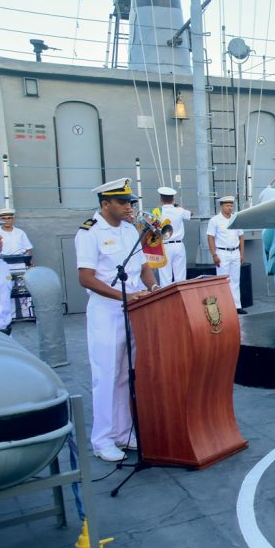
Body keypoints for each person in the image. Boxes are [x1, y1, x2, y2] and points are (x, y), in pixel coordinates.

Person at [75, 178, 159, 461]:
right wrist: (123, 296)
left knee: (125, 375)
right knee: (106, 376)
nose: (128, 206)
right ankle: (102, 440)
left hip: (135, 309)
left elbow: (144, 267)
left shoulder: (129, 229)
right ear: (105, 204)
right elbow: (86, 278)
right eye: (122, 202)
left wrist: (154, 288)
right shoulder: (90, 232)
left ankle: (123, 433)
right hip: (106, 312)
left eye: (130, 202)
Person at [206, 196, 246, 314]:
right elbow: (210, 237)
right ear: (222, 206)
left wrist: (242, 254)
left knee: (235, 280)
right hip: (222, 253)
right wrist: (214, 255)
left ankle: (237, 306)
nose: (230, 208)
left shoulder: (235, 218)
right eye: (227, 205)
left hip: (235, 252)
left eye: (231, 205)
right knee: (223, 281)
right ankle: (224, 306)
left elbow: (241, 237)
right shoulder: (215, 220)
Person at [156, 187, 191, 286]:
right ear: (173, 199)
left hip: (164, 245)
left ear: (161, 200)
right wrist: (178, 207)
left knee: (165, 277)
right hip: (178, 245)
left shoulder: (157, 212)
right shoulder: (179, 210)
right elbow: (191, 214)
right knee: (180, 277)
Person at [0, 208, 33, 272]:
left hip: (20, 266)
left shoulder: (20, 232)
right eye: (4, 218)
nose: (7, 220)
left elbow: (28, 249)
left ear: (13, 219)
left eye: (9, 218)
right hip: (2, 265)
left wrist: (30, 264)